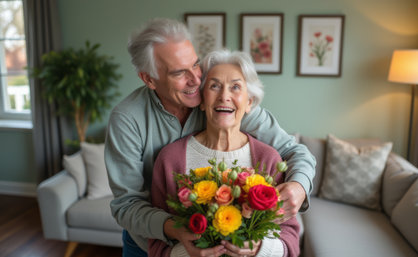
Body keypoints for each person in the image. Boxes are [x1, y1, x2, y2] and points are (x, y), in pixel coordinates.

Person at [104, 18, 315, 257]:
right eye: (179, 73)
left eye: (195, 65)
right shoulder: (127, 119)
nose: (195, 80)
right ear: (149, 79)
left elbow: (296, 152)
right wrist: (179, 233)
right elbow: (127, 205)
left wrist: (299, 187)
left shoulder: (223, 102)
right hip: (150, 241)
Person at [149, 49, 300, 257]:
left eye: (235, 87)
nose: (224, 96)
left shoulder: (269, 159)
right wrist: (187, 254)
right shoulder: (170, 159)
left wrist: (260, 249)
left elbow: (289, 237)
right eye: (214, 86)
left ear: (249, 102)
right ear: (202, 101)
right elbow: (156, 243)